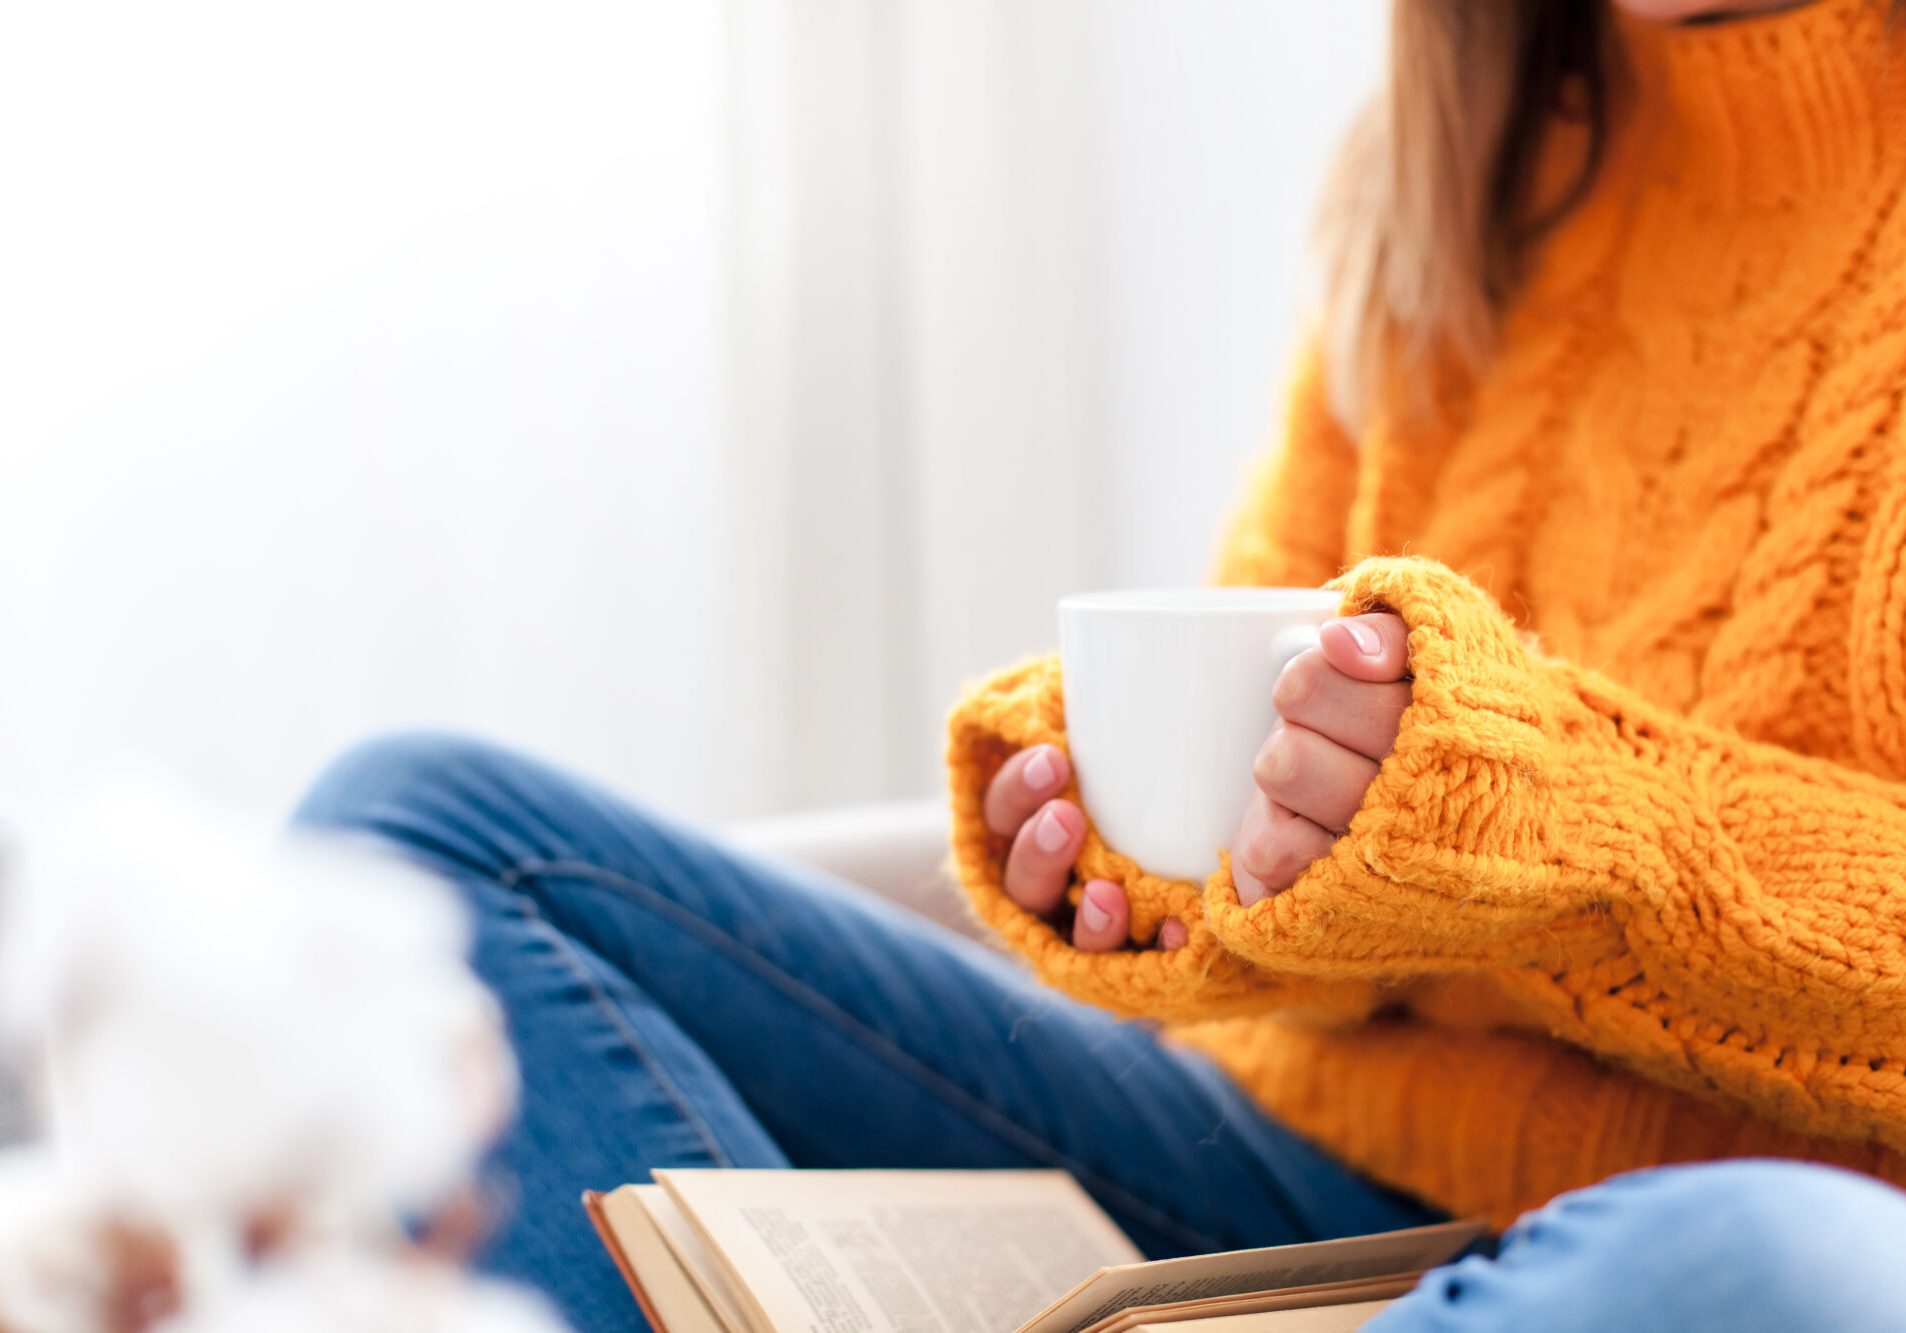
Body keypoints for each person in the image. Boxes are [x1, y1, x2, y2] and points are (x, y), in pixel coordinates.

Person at [297, 0, 1906, 1329]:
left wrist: (1553, 817)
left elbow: (1491, 815)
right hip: (1277, 1175)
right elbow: (1296, 830)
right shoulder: (1458, 163)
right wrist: (1156, 849)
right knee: (422, 839)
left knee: (1783, 1271)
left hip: (1712, 1248)